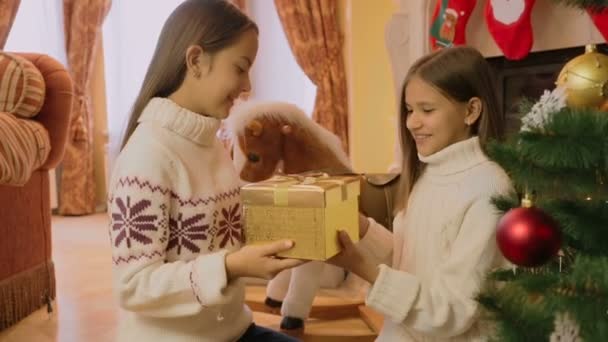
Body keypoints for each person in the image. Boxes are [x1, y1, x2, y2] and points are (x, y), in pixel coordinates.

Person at [108, 1, 304, 341]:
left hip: (234, 330)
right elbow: (134, 286)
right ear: (196, 60)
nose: (248, 86)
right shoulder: (147, 157)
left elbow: (223, 236)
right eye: (241, 68)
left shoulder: (210, 142)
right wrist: (231, 267)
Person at [329, 46, 513, 341]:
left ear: (471, 111)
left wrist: (363, 268)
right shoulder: (430, 173)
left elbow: (452, 311)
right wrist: (361, 228)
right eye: (409, 110)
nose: (412, 122)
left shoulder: (488, 189)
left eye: (427, 110)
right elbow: (411, 260)